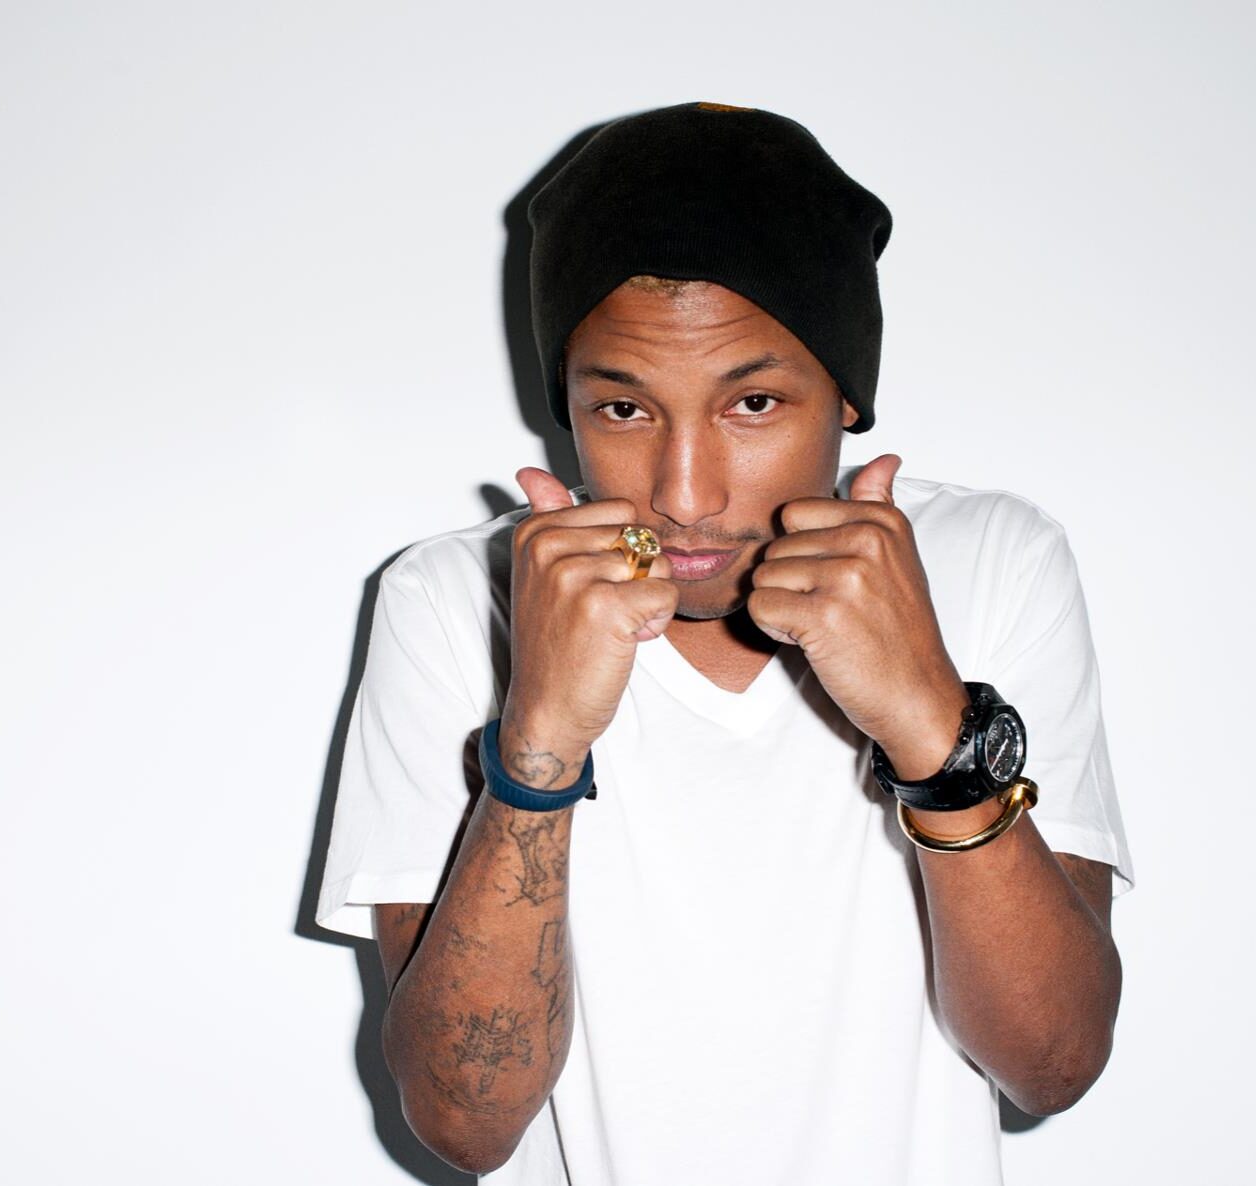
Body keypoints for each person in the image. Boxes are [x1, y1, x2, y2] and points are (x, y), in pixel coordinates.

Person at [315, 101, 1132, 1184]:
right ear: (565, 403)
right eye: (623, 411)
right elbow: (466, 1122)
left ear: (846, 397)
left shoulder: (990, 561)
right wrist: (537, 751)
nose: (686, 494)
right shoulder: (455, 598)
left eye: (750, 403)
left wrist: (933, 732)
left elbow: (1051, 1063)